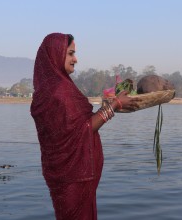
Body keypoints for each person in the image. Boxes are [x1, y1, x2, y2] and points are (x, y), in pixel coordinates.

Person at [30, 33, 139, 219]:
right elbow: (82, 129)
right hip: (74, 177)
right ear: (56, 54)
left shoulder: (49, 88)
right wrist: (114, 105)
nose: (76, 59)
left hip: (61, 174)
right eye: (71, 53)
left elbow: (73, 128)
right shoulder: (60, 91)